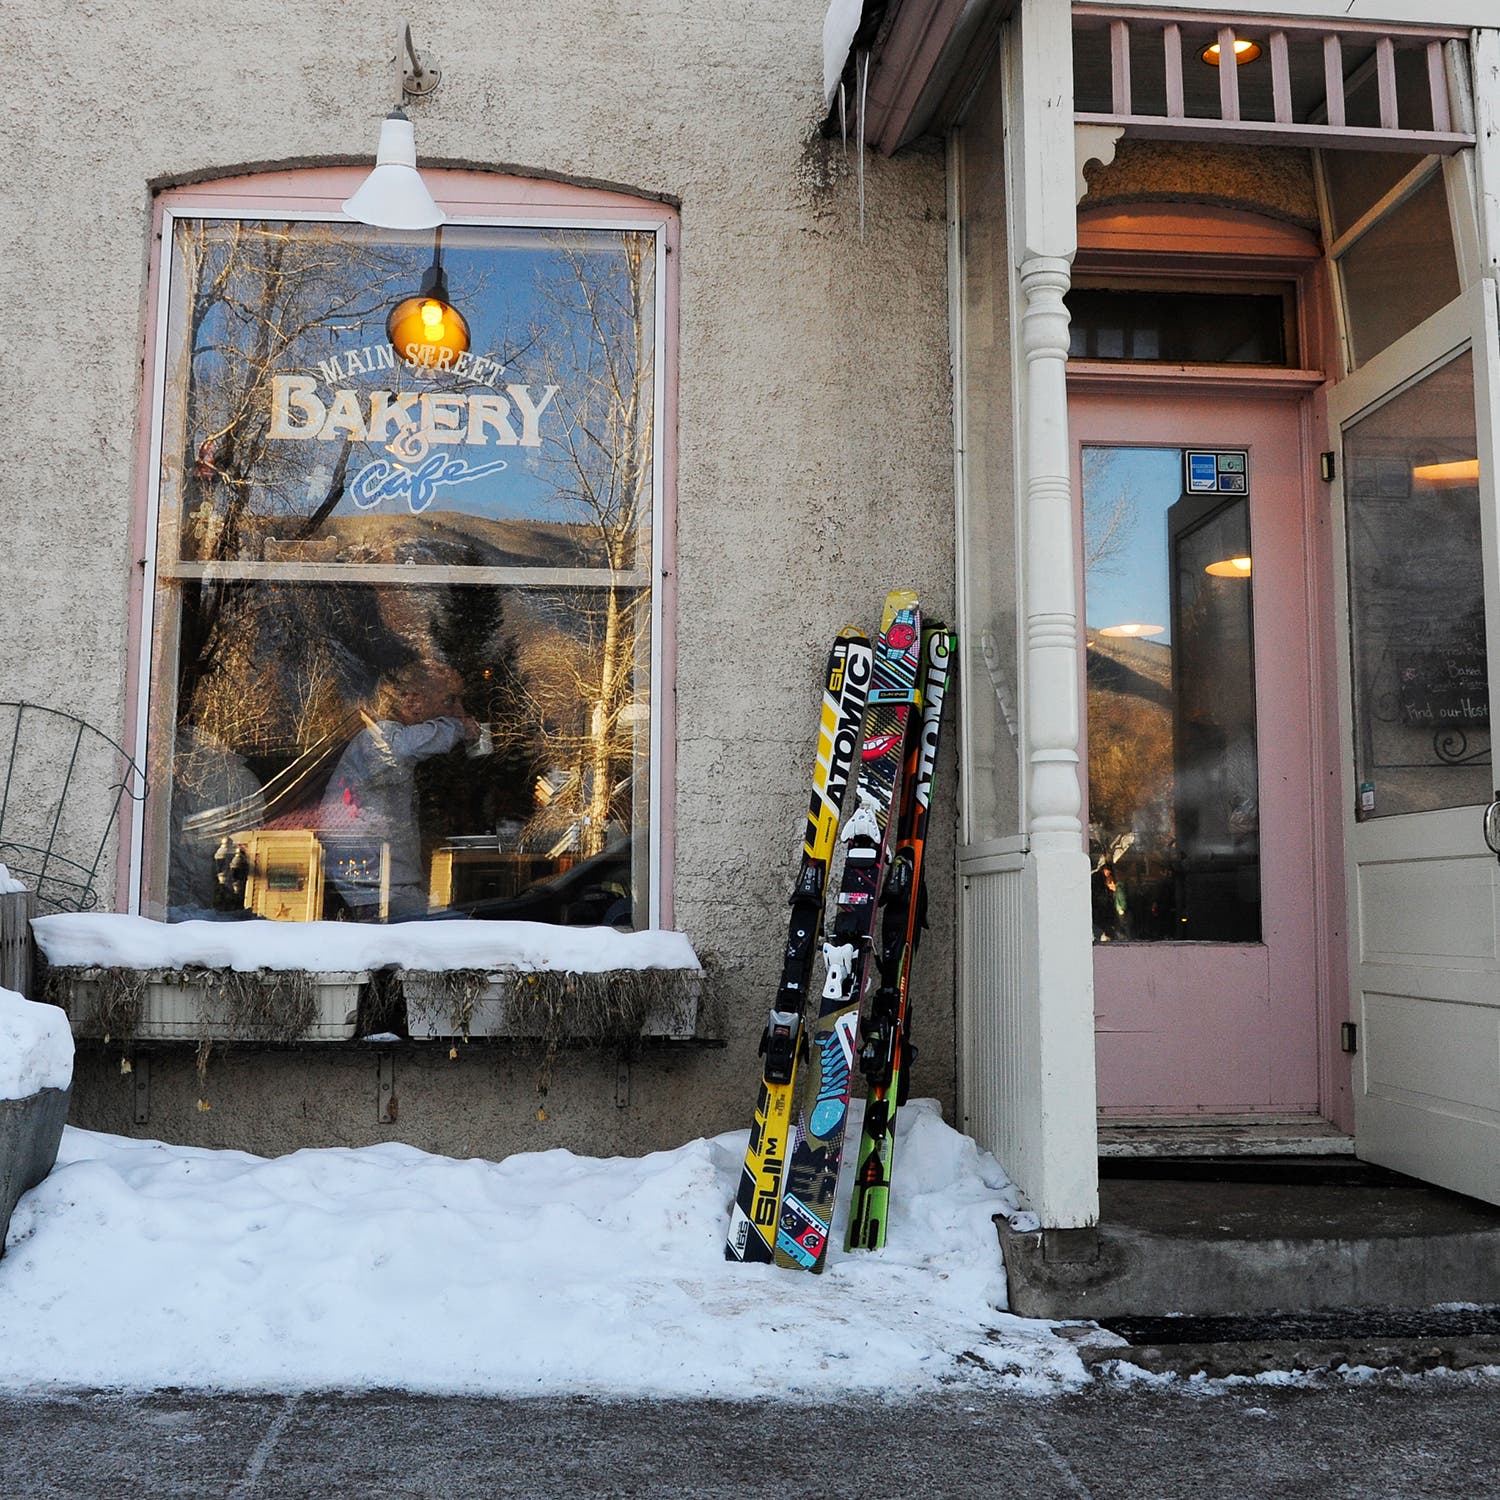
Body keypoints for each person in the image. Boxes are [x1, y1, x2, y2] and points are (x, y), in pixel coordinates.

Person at [320, 660, 479, 920]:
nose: (460, 711)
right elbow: (403, 748)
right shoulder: (377, 741)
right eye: (450, 701)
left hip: (385, 889)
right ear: (414, 703)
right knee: (467, 935)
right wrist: (457, 729)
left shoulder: (384, 749)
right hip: (372, 892)